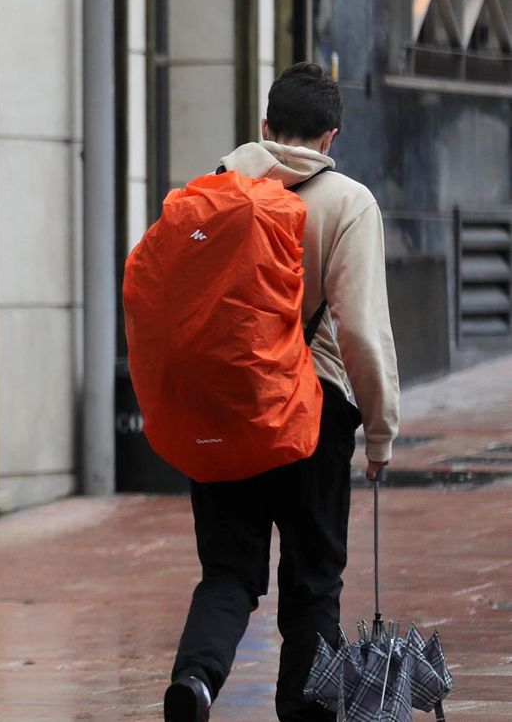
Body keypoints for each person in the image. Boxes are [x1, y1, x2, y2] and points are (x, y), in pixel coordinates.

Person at [163, 62, 399, 721]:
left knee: (228, 571)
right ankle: (306, 712)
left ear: (265, 128)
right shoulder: (348, 202)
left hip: (222, 410)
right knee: (314, 582)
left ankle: (196, 680)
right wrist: (379, 430)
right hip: (311, 413)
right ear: (331, 136)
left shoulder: (211, 188)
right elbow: (362, 333)